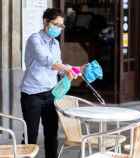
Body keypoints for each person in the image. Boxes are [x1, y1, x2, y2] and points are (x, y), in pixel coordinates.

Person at [20, 8, 78, 158]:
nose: (58, 28)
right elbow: (46, 60)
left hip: (51, 94)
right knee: (30, 135)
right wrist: (66, 68)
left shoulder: (55, 44)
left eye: (61, 26)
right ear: (45, 21)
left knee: (52, 134)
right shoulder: (35, 39)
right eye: (55, 24)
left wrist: (75, 71)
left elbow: (58, 68)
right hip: (32, 94)